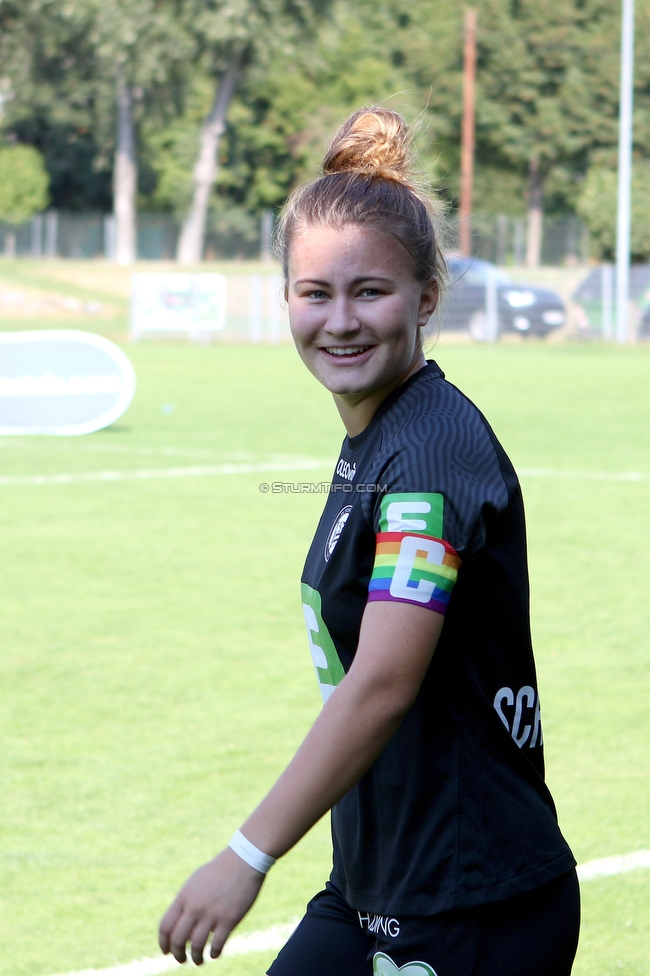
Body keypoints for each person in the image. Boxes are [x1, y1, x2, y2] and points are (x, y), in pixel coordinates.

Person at [158, 107, 580, 976]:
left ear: (427, 296)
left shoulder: (429, 448)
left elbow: (384, 681)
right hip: (373, 888)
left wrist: (245, 856)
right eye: (315, 293)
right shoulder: (380, 435)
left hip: (471, 904)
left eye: (370, 291)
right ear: (286, 300)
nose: (340, 320)